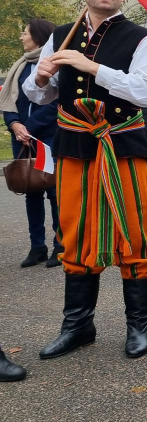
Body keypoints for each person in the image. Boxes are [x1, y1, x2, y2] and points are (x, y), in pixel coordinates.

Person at [24, 0, 147, 360]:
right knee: (73, 228)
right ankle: (78, 325)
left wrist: (93, 68)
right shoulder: (61, 36)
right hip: (74, 144)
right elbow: (40, 98)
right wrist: (41, 78)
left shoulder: (141, 38)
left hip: (120, 142)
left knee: (133, 227)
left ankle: (138, 325)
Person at [2, 18, 61, 268]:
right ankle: (37, 246)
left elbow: (56, 103)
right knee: (31, 191)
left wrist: (30, 127)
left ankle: (61, 246)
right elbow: (8, 100)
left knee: (54, 192)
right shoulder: (20, 65)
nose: (22, 37)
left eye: (25, 33)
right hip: (23, 139)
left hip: (47, 137)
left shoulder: (53, 64)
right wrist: (15, 124)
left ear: (38, 36)